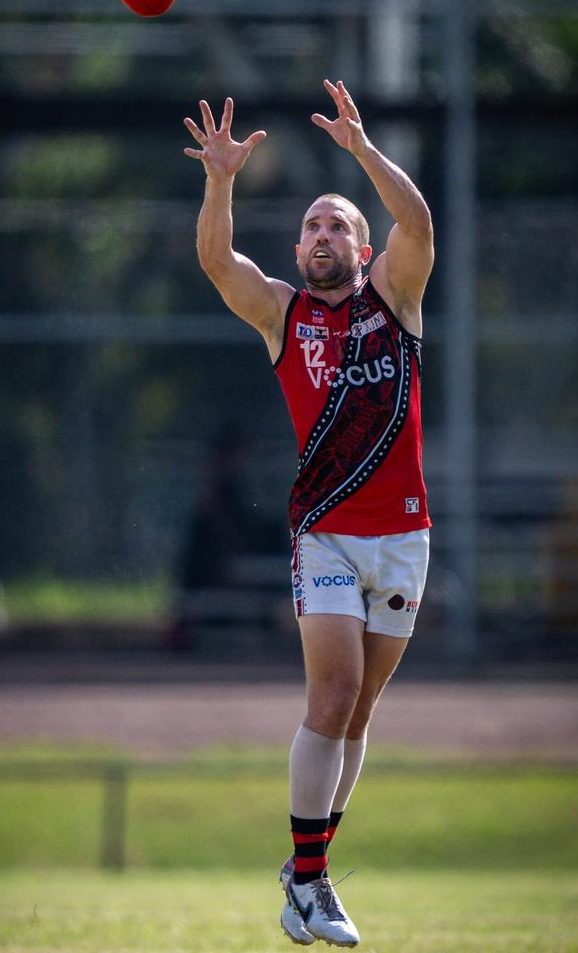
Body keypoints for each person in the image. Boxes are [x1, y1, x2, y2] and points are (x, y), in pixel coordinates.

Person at [184, 79, 433, 948]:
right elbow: (219, 265)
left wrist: (363, 153)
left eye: (338, 225)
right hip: (324, 530)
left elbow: (421, 227)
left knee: (358, 712)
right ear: (298, 248)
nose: (322, 233)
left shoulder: (393, 304)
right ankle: (312, 881)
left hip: (403, 538)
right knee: (328, 693)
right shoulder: (283, 317)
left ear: (362, 247)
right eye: (312, 226)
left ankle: (306, 869)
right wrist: (220, 182)